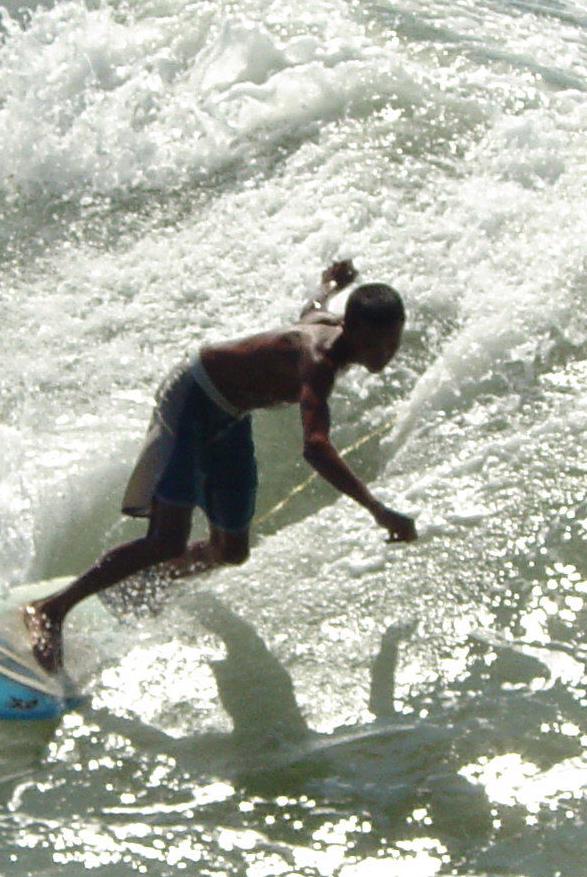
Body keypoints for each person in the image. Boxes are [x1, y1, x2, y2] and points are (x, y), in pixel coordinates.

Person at [25, 259, 417, 672]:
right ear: (353, 331)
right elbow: (315, 447)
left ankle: (152, 579)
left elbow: (312, 307)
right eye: (377, 344)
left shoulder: (332, 324)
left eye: (393, 342)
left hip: (229, 415)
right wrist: (377, 510)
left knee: (230, 550)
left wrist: (330, 283)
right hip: (193, 398)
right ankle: (50, 610)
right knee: (167, 538)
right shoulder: (317, 361)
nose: (385, 354)